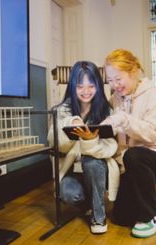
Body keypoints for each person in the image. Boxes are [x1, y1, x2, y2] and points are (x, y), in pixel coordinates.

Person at [102, 49, 156, 238]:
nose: (114, 85)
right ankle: (138, 210)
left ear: (133, 71)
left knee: (134, 154)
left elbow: (153, 134)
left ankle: (151, 216)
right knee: (120, 217)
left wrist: (125, 120)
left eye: (118, 79)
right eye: (110, 80)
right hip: (131, 163)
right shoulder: (115, 99)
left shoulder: (151, 94)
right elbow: (118, 139)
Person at [47, 61, 119, 234]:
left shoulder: (106, 111)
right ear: (72, 86)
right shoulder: (60, 110)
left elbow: (111, 147)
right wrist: (71, 123)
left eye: (91, 86)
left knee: (91, 161)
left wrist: (89, 141)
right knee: (70, 193)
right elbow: (54, 144)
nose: (86, 91)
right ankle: (90, 200)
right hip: (72, 172)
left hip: (98, 170)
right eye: (80, 86)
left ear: (98, 86)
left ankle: (98, 215)